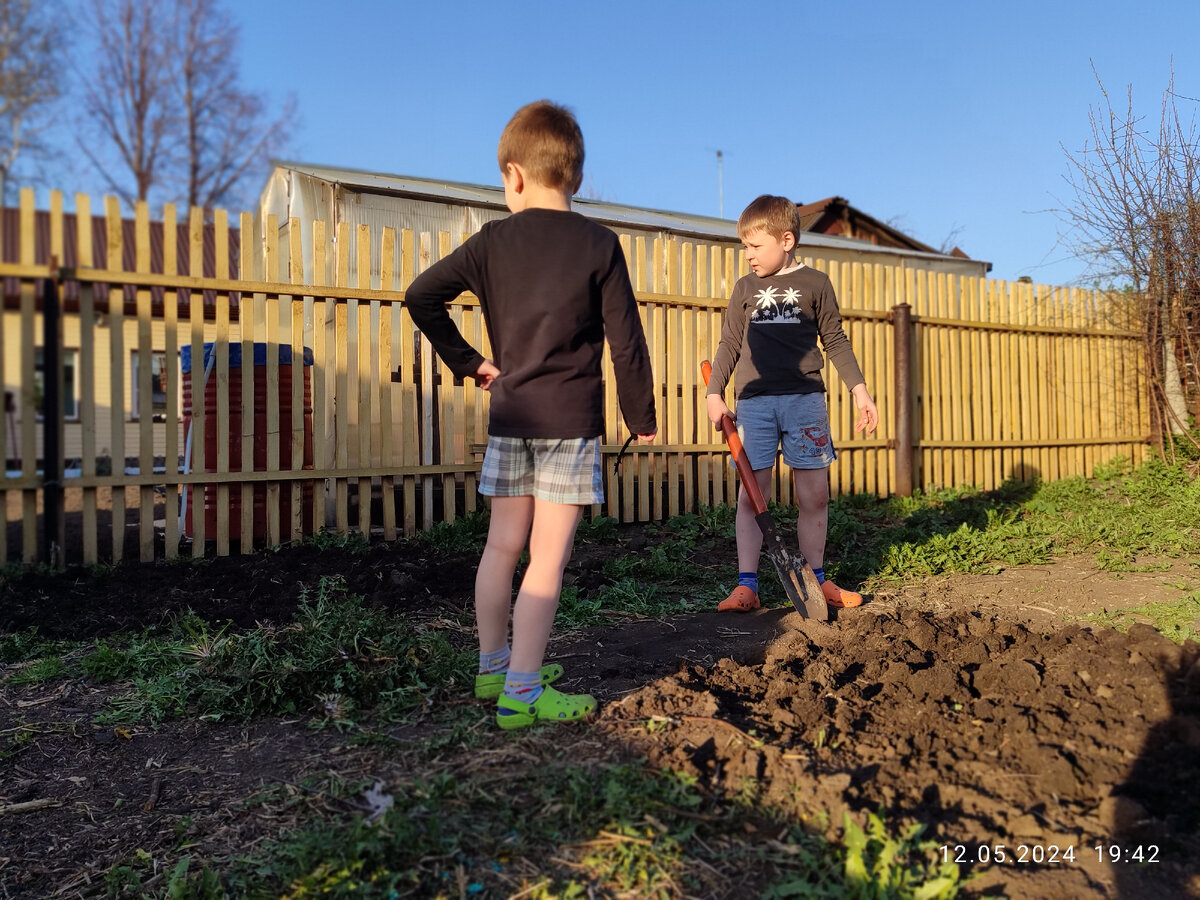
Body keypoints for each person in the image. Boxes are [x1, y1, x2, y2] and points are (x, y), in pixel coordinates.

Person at [405, 100, 657, 729]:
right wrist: (640, 412)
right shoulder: (599, 244)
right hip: (569, 423)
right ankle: (522, 693)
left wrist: (472, 363)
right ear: (571, 173)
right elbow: (626, 339)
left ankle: (495, 669)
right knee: (546, 560)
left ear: (515, 175)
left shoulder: (492, 241)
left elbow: (421, 297)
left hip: (511, 416)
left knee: (500, 547)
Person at [705, 194, 878, 613]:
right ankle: (747, 586)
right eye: (743, 246)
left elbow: (834, 340)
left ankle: (816, 581)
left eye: (755, 246)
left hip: (805, 401)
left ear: (786, 240)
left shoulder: (816, 284)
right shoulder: (745, 288)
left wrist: (860, 390)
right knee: (752, 495)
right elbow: (730, 342)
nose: (747, 256)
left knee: (815, 494)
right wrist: (715, 394)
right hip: (754, 404)